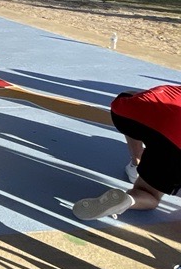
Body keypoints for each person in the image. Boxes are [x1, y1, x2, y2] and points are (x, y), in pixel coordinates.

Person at [73, 84, 181, 220]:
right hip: (175, 144)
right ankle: (129, 199)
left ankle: (137, 159)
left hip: (129, 112)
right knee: (150, 194)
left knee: (136, 105)